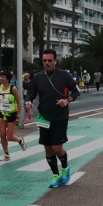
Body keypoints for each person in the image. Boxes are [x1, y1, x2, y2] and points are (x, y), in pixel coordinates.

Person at [25, 49, 79, 188]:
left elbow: (76, 91)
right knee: (48, 148)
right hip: (44, 116)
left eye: (50, 60)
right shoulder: (38, 77)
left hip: (60, 116)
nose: (47, 63)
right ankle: (55, 175)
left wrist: (67, 100)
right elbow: (30, 92)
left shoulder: (64, 75)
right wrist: (28, 101)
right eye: (44, 61)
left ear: (55, 61)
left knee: (57, 146)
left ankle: (65, 167)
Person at [0, 70, 27, 161]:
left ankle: (20, 140)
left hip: (12, 114)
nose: (1, 78)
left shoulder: (13, 88)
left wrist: (18, 116)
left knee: (10, 137)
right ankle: (6, 154)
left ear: (8, 78)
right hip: (2, 113)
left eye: (3, 77)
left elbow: (19, 103)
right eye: (0, 77)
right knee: (2, 135)